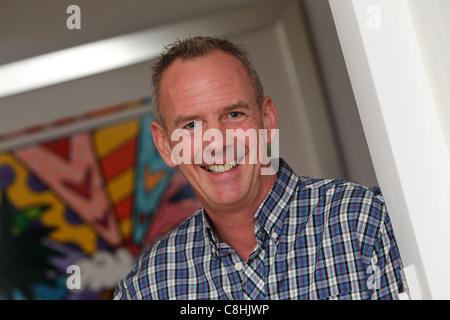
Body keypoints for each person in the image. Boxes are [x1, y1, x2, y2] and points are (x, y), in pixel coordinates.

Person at [114, 36, 404, 300]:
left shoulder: (366, 223)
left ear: (267, 120)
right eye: (191, 125)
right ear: (165, 145)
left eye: (233, 114)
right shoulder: (146, 289)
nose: (217, 143)